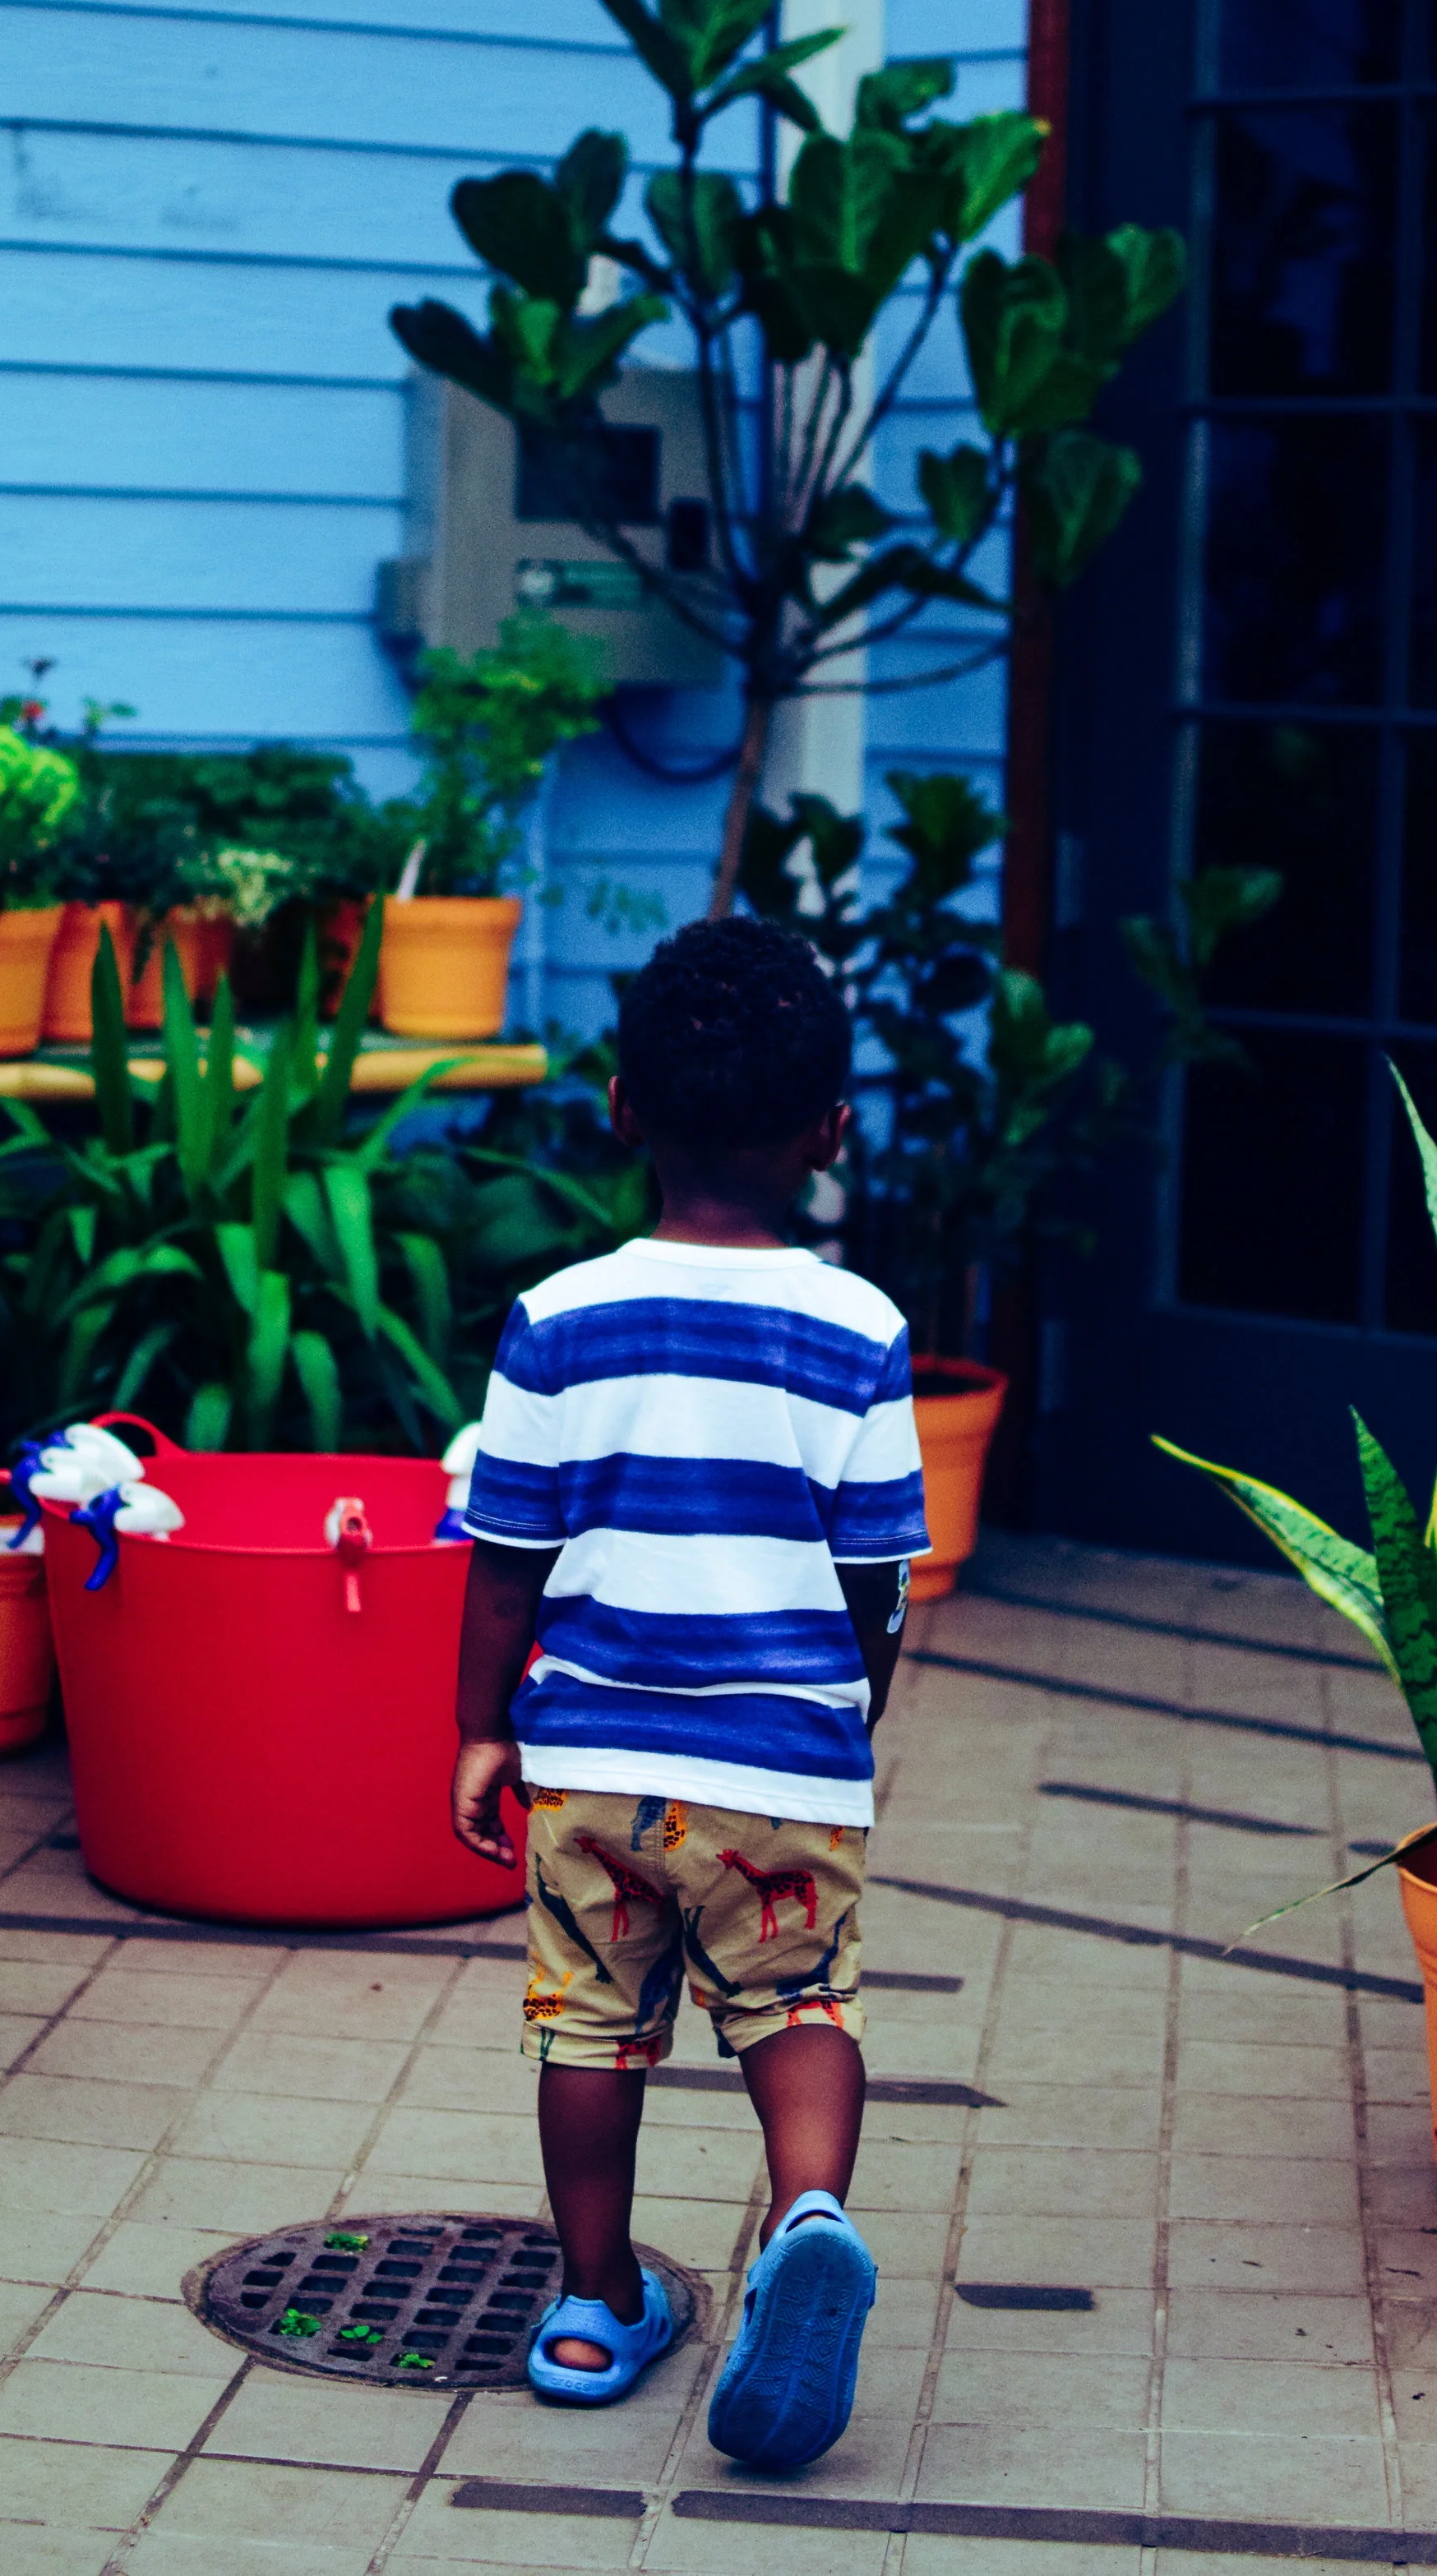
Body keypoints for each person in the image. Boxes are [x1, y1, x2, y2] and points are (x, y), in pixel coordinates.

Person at [449, 915, 926, 2473]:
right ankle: (805, 2214)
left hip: (591, 1760)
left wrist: (476, 1725)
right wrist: (846, 1717)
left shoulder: (558, 1318)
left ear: (619, 1107)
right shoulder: (861, 1331)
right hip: (780, 1762)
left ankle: (591, 2310)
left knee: (586, 2030)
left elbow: (505, 1557)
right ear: (831, 1131)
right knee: (798, 2005)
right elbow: (878, 1575)